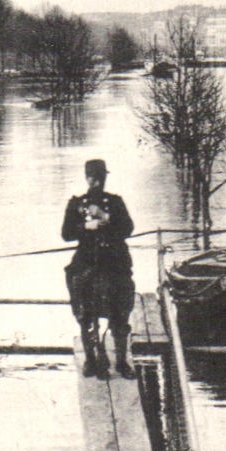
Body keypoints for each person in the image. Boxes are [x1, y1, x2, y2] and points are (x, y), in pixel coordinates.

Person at [61, 158, 137, 380]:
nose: (97, 182)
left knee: (121, 311)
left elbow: (128, 228)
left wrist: (106, 218)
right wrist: (86, 226)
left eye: (100, 178)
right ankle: (91, 360)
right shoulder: (77, 203)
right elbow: (66, 234)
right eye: (94, 177)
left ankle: (121, 361)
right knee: (85, 313)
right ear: (87, 178)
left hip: (114, 260)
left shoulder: (115, 202)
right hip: (88, 260)